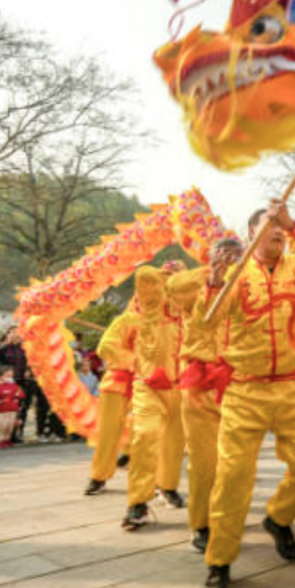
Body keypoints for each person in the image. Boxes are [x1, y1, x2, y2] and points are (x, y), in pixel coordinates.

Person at [200, 199, 295, 588]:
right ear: (252, 233)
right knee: (233, 477)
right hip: (246, 389)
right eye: (269, 224)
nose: (277, 230)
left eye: (281, 226)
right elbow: (209, 318)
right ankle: (219, 561)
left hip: (294, 386)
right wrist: (215, 281)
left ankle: (279, 517)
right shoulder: (237, 274)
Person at [167, 236, 243, 553]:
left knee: (238, 463)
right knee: (204, 462)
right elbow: (174, 289)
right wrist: (212, 277)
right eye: (221, 252)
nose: (227, 258)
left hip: (240, 383)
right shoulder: (193, 282)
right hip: (200, 384)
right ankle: (201, 524)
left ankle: (228, 519)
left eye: (235, 255)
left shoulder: (249, 284)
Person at [121, 265, 188, 531]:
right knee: (145, 435)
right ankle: (138, 502)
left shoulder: (191, 308)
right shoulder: (147, 306)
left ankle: (167, 486)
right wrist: (168, 276)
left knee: (175, 444)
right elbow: (143, 275)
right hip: (148, 384)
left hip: (182, 385)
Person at [85, 304, 140, 496]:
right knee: (108, 432)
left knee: (149, 428)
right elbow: (106, 346)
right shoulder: (126, 320)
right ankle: (98, 477)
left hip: (148, 383)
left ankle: (160, 482)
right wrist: (136, 360)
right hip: (118, 382)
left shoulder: (169, 323)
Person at [0, 366, 24, 449]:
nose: (10, 378)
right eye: (7, 376)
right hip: (0, 410)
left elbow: (21, 394)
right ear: (0, 376)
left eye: (11, 376)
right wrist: (3, 393)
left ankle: (7, 439)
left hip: (12, 409)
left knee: (9, 426)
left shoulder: (13, 385)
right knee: (0, 426)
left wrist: (13, 395)